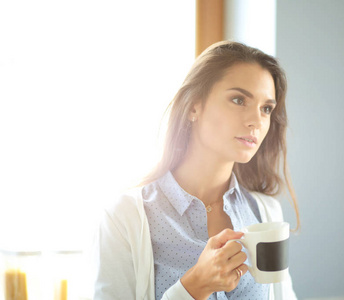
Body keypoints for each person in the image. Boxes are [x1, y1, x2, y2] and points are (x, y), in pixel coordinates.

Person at [92, 41, 300, 300]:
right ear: (193, 107)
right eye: (238, 100)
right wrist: (193, 287)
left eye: (266, 108)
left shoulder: (266, 212)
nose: (256, 121)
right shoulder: (126, 217)